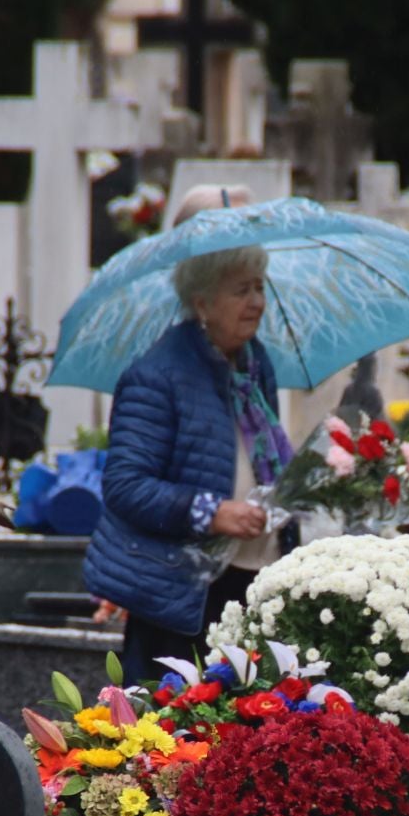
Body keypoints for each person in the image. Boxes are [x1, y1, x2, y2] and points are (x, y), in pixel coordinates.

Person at [83, 228, 294, 678]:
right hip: (182, 596)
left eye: (260, 286)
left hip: (256, 576)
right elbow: (125, 485)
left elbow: (264, 461)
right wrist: (212, 512)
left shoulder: (256, 364)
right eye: (241, 290)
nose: (256, 301)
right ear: (202, 304)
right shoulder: (157, 376)